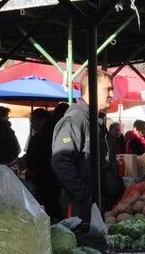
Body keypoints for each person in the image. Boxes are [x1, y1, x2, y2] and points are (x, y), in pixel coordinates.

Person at [51, 70, 125, 221]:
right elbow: (60, 161)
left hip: (99, 204)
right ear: (91, 90)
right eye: (107, 89)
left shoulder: (96, 121)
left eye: (112, 89)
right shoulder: (76, 120)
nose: (112, 94)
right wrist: (84, 194)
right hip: (82, 209)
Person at [26, 107, 64, 220]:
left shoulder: (40, 137)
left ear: (43, 120)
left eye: (34, 121)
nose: (32, 125)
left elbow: (32, 160)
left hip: (45, 180)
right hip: (55, 180)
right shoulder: (57, 132)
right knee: (55, 210)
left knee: (49, 211)